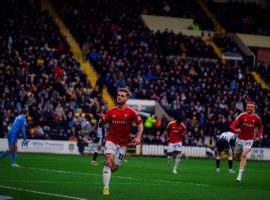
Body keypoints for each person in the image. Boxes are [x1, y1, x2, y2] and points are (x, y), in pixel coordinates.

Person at [97, 88, 144, 196]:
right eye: (118, 95)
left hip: (123, 144)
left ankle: (109, 169)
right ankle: (106, 187)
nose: (119, 97)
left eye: (122, 96)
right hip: (111, 140)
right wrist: (102, 120)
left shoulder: (132, 112)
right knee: (108, 161)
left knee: (114, 168)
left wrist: (138, 137)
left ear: (127, 98)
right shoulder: (110, 111)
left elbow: (141, 125)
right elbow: (101, 125)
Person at [230, 101, 263, 182]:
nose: (249, 108)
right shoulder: (242, 115)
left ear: (254, 108)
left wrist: (258, 136)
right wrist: (235, 129)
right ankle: (238, 157)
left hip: (249, 140)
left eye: (251, 107)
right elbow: (232, 125)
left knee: (244, 155)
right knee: (238, 156)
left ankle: (239, 176)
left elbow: (260, 127)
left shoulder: (257, 118)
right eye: (248, 106)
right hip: (239, 139)